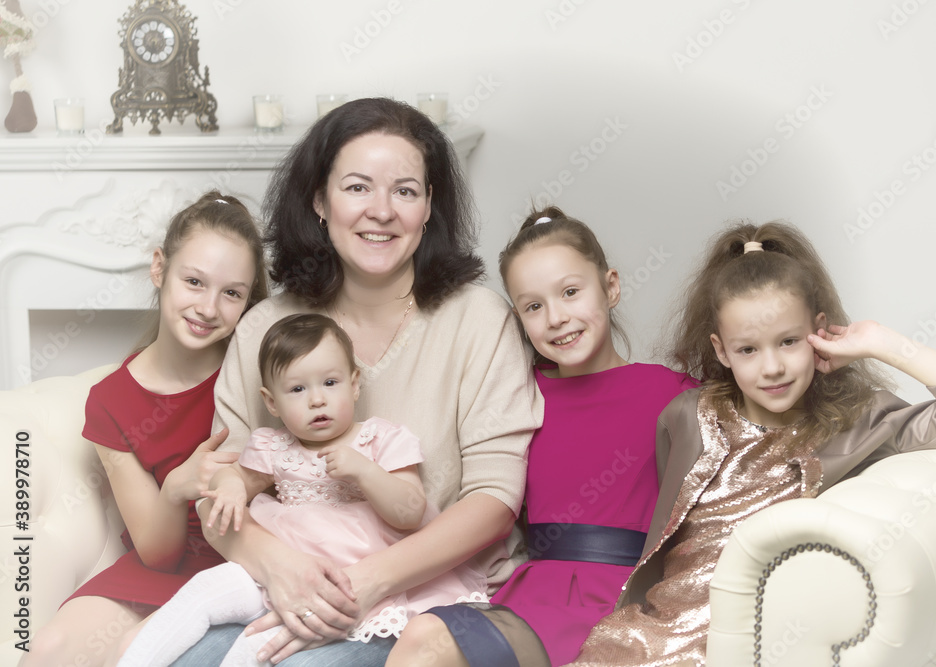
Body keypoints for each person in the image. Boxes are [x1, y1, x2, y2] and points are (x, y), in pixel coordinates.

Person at [172, 97, 546, 666]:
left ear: (428, 209)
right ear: (320, 200)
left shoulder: (478, 319)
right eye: (356, 187)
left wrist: (363, 584)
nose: (382, 211)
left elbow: (495, 501)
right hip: (289, 584)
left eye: (405, 190)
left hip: (427, 600)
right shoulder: (266, 328)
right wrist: (281, 567)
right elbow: (220, 495)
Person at [567, 221, 936, 666]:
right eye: (748, 350)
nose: (772, 367)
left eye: (789, 342)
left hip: (745, 644)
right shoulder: (687, 416)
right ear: (721, 351)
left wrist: (879, 342)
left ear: (819, 330)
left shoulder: (858, 422)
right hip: (649, 632)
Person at [386, 208, 697, 666]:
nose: (556, 318)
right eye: (534, 306)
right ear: (518, 318)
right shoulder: (520, 394)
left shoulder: (671, 393)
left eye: (570, 292)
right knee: (425, 636)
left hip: (629, 598)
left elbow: (772, 420)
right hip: (534, 600)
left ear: (610, 287)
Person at [118, 313, 488, 666]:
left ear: (355, 383)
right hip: (276, 571)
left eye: (330, 383)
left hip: (351, 578)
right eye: (297, 389)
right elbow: (238, 479)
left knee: (262, 648)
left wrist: (365, 472)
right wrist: (229, 486)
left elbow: (409, 513)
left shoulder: (381, 439)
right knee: (203, 591)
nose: (317, 400)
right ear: (271, 402)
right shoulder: (273, 447)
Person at [18, 191, 268, 667]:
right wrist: (176, 486)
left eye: (231, 293)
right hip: (164, 563)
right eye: (194, 282)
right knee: (47, 651)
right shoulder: (111, 400)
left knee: (132, 654)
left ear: (248, 301)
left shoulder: (257, 373)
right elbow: (157, 553)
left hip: (239, 562)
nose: (209, 307)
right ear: (160, 269)